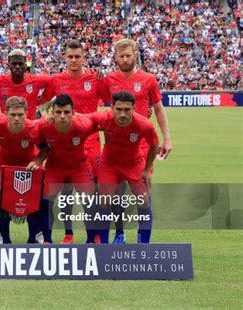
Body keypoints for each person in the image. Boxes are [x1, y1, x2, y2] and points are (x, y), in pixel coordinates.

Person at [103, 38, 172, 243]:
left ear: (135, 55)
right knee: (115, 193)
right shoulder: (108, 80)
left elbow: (158, 109)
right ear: (115, 58)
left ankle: (143, 239)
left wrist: (167, 138)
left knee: (142, 194)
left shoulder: (148, 79)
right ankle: (119, 234)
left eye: (128, 55)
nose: (124, 59)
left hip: (142, 145)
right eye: (121, 56)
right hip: (116, 145)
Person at [41, 40, 109, 244]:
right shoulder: (56, 80)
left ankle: (95, 235)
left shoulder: (94, 79)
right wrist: (47, 117)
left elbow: (112, 102)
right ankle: (68, 233)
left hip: (91, 143)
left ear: (83, 57)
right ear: (65, 58)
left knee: (92, 193)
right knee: (66, 190)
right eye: (70, 57)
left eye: (77, 56)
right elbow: (43, 104)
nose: (74, 60)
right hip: (65, 145)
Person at [87, 91, 158, 244]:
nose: (123, 114)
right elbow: (79, 118)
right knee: (104, 202)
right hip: (109, 164)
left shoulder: (144, 124)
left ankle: (143, 243)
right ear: (112, 108)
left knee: (144, 201)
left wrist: (146, 169)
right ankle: (104, 246)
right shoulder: (103, 118)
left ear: (134, 109)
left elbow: (154, 146)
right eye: (119, 109)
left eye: (127, 109)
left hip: (134, 163)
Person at [36, 94, 97, 244]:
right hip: (55, 167)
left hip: (79, 167)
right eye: (58, 112)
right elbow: (36, 138)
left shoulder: (84, 125)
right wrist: (41, 156)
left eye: (66, 112)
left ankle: (91, 239)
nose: (62, 116)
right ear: (52, 113)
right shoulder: (44, 125)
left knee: (89, 202)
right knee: (46, 202)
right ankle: (48, 240)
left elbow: (104, 122)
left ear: (73, 112)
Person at [0, 96, 48, 244]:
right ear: (5, 113)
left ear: (26, 113)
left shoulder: (33, 129)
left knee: (35, 200)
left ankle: (33, 237)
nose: (16, 118)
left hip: (29, 166)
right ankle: (5, 238)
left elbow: (46, 150)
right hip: (4, 165)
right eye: (13, 114)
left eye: (20, 114)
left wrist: (37, 161)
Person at [0, 49, 49, 120]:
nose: (17, 66)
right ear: (9, 65)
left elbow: (55, 83)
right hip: (6, 129)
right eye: (14, 64)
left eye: (20, 64)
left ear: (25, 65)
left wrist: (37, 102)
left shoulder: (36, 80)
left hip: (29, 129)